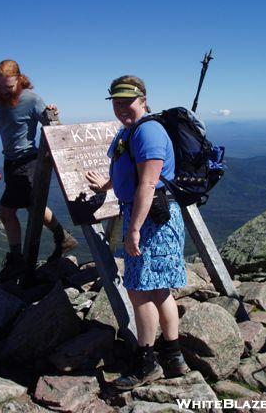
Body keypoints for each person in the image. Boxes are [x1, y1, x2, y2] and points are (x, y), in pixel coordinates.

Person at [86, 75, 188, 390]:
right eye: (116, 101)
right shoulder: (128, 132)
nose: (121, 107)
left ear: (143, 100)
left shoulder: (149, 132)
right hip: (150, 216)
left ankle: (146, 363)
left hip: (151, 220)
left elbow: (147, 183)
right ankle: (173, 356)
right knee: (159, 290)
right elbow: (129, 171)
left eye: (127, 101)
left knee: (141, 291)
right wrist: (105, 184)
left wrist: (133, 230)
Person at [0, 59, 78, 282]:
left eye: (8, 87)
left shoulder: (31, 99)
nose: (2, 91)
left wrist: (53, 114)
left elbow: (52, 125)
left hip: (27, 162)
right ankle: (63, 237)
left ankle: (17, 260)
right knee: (32, 205)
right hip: (11, 162)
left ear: (19, 80)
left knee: (6, 212)